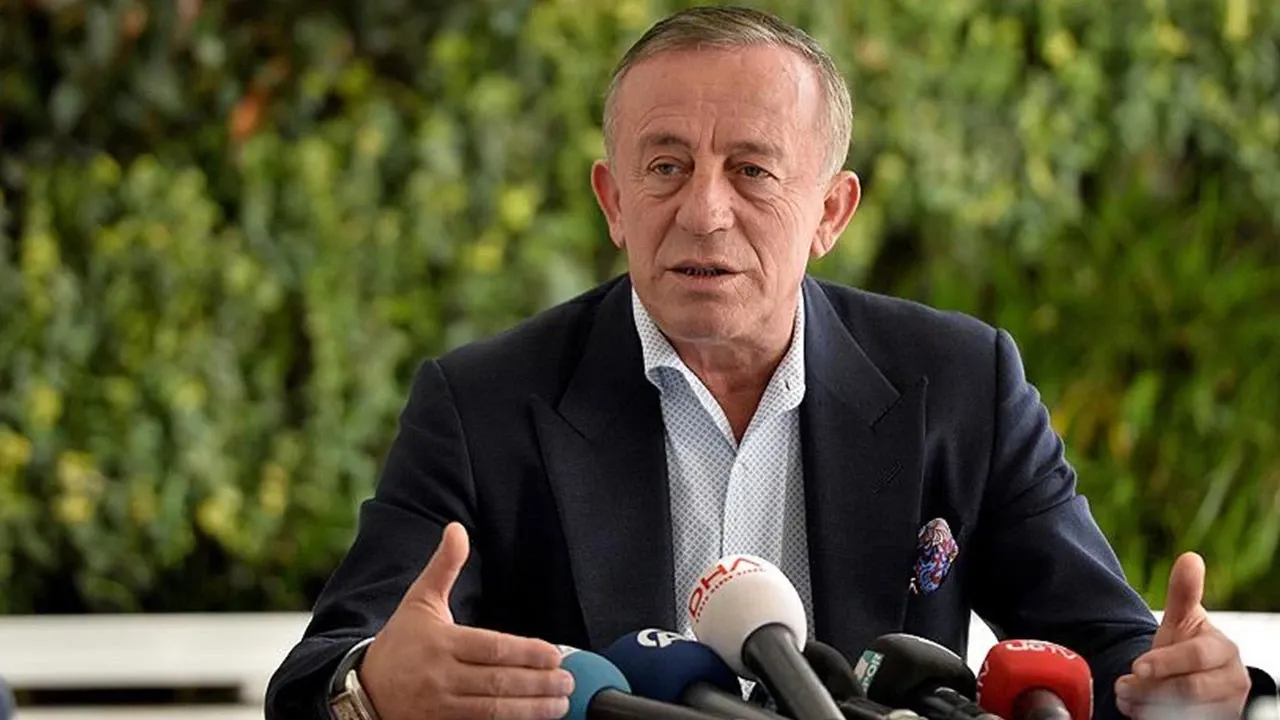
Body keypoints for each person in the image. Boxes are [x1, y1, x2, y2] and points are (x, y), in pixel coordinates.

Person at [266, 6, 1268, 720]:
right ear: (613, 202)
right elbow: (321, 673)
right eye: (665, 168)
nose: (704, 211)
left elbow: (1114, 652)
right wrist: (370, 687)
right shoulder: (482, 404)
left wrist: (1188, 688)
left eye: (751, 171)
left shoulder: (961, 383)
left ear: (830, 211)